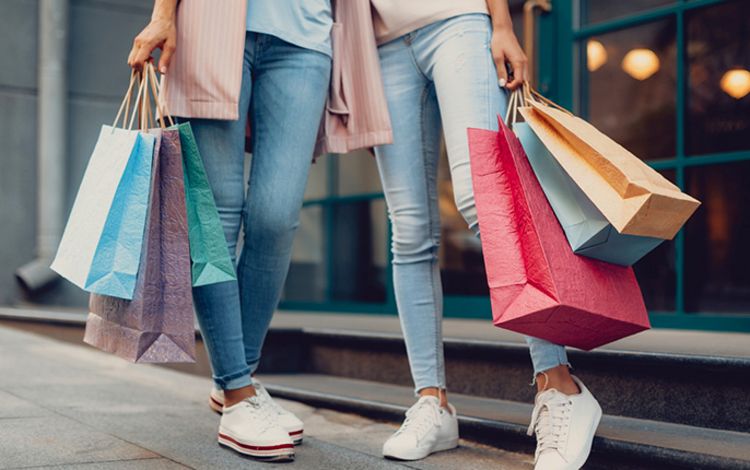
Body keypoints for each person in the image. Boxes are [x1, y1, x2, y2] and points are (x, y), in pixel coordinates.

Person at [127, 0, 394, 461]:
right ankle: (236, 388)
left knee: (277, 216)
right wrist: (164, 14)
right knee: (218, 217)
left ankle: (238, 381)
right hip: (210, 27)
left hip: (306, 39)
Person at [369, 1, 602, 468]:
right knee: (410, 228)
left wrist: (501, 23)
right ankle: (432, 402)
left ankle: (560, 385)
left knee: (488, 201)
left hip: (456, 18)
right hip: (380, 45)